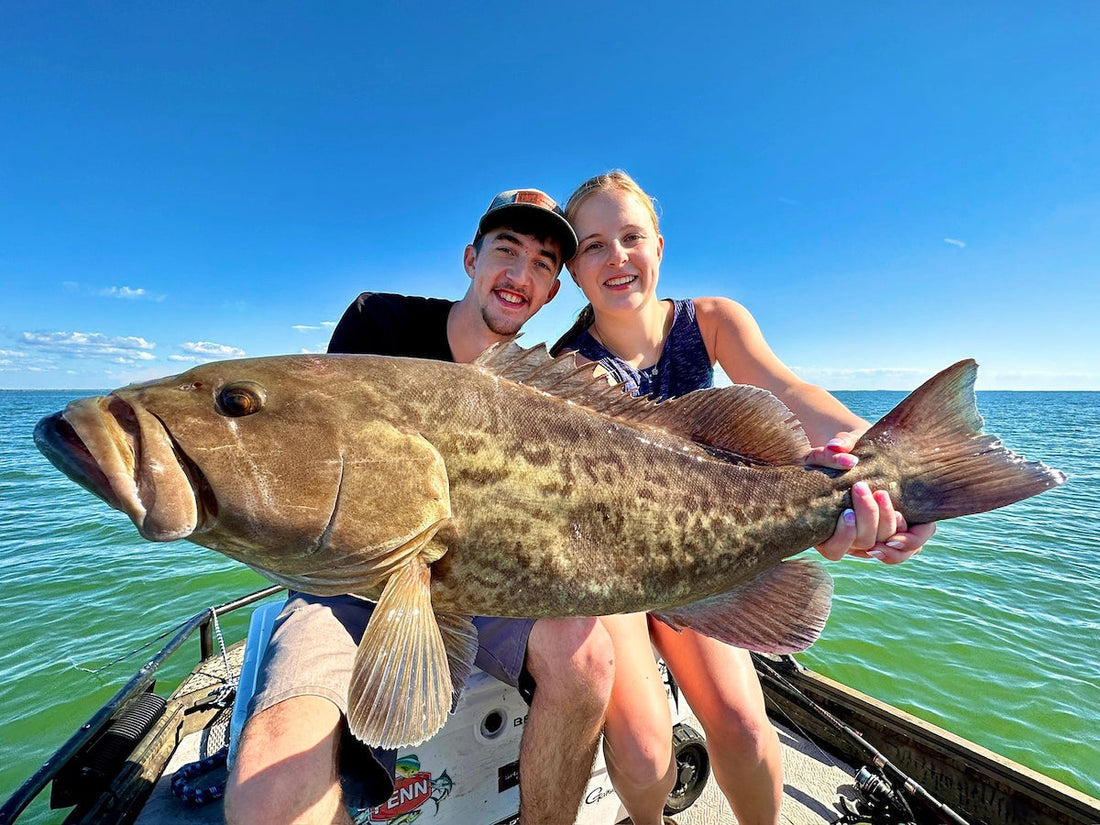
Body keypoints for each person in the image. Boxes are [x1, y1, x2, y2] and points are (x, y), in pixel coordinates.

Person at [550, 170, 937, 825]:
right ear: (574, 270)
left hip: (705, 551)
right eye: (592, 245)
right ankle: (650, 820)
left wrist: (876, 464)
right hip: (614, 565)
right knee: (645, 753)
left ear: (659, 248)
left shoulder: (711, 319)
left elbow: (790, 391)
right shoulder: (568, 369)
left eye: (630, 236)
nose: (616, 256)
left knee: (743, 725)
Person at [224, 189, 617, 825]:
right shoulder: (378, 325)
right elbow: (317, 457)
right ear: (470, 258)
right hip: (355, 580)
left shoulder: (546, 390)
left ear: (551, 294)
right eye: (506, 250)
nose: (520, 275)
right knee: (271, 785)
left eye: (544, 264)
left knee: (589, 659)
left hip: (483, 584)